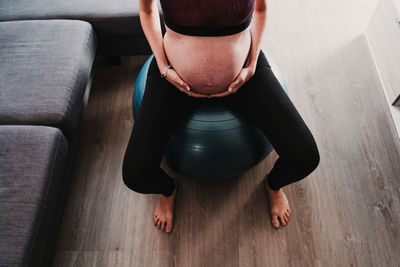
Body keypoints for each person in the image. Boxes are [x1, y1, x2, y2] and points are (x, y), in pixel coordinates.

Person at [122, 0, 320, 234]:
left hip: (245, 76)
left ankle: (273, 185)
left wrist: (253, 62)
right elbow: (146, 10)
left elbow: (261, 8)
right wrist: (164, 67)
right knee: (135, 175)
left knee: (305, 157)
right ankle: (168, 189)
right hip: (173, 79)